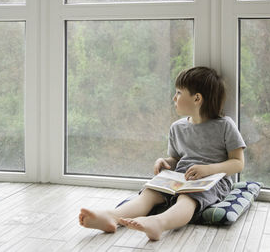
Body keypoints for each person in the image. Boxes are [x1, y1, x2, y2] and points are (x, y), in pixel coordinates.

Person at [78, 66, 246, 241]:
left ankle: (159, 223)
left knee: (187, 199)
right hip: (180, 177)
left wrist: (208, 170)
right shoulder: (177, 127)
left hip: (213, 181)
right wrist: (164, 162)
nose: (174, 98)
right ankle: (113, 217)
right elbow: (176, 159)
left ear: (197, 98)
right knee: (150, 193)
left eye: (179, 93)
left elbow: (237, 163)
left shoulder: (224, 125)